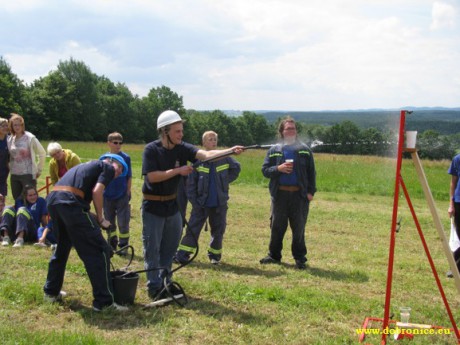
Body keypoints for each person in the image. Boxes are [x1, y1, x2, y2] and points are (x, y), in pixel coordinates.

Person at [142, 110, 244, 300]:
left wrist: (230, 150)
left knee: (169, 248)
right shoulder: (151, 150)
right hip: (153, 207)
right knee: (152, 248)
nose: (181, 135)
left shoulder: (181, 147)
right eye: (177, 131)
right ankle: (153, 287)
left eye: (181, 131)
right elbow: (152, 176)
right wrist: (178, 170)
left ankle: (166, 282)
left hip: (172, 207)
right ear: (165, 131)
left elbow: (206, 154)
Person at [42, 154, 129, 312]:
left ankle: (51, 292)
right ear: (111, 161)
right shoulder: (106, 166)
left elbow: (82, 207)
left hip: (55, 201)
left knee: (62, 248)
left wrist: (95, 217)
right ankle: (104, 303)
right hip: (69, 203)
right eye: (120, 169)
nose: (117, 173)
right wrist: (102, 219)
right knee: (99, 250)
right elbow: (97, 192)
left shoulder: (83, 168)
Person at [175, 131, 241, 265]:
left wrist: (224, 181)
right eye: (210, 139)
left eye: (215, 139)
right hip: (201, 203)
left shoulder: (225, 158)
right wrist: (195, 202)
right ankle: (183, 254)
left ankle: (215, 256)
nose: (213, 142)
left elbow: (236, 168)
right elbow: (190, 184)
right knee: (193, 228)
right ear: (204, 143)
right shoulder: (198, 160)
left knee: (218, 229)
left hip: (219, 202)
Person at [260, 116, 316, 269]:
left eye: (293, 128)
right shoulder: (274, 151)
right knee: (277, 227)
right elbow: (265, 171)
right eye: (288, 128)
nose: (291, 131)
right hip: (280, 195)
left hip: (299, 196)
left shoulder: (304, 150)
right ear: (282, 131)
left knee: (298, 228)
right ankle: (274, 256)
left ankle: (300, 258)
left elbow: (312, 173)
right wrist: (278, 169)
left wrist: (311, 192)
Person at [102, 132, 132, 253]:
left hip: (122, 193)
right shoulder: (103, 158)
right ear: (108, 143)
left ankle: (123, 246)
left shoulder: (126, 157)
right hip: (107, 194)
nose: (118, 145)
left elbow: (129, 176)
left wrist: (128, 191)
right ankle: (111, 243)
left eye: (120, 143)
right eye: (115, 142)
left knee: (123, 221)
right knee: (109, 221)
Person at [7, 113, 46, 200]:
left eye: (19, 125)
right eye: (15, 125)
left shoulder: (30, 138)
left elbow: (42, 153)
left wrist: (39, 170)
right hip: (14, 175)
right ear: (11, 126)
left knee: (30, 199)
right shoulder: (10, 139)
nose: (17, 127)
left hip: (28, 174)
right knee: (17, 199)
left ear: (23, 125)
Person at [447, 153, 460, 277]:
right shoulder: (457, 159)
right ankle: (455, 269)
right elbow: (453, 183)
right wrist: (451, 204)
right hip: (458, 202)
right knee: (458, 236)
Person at [0, 118, 10, 199]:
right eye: (3, 126)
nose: (6, 127)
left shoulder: (9, 139)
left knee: (3, 194)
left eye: (7, 126)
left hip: (4, 170)